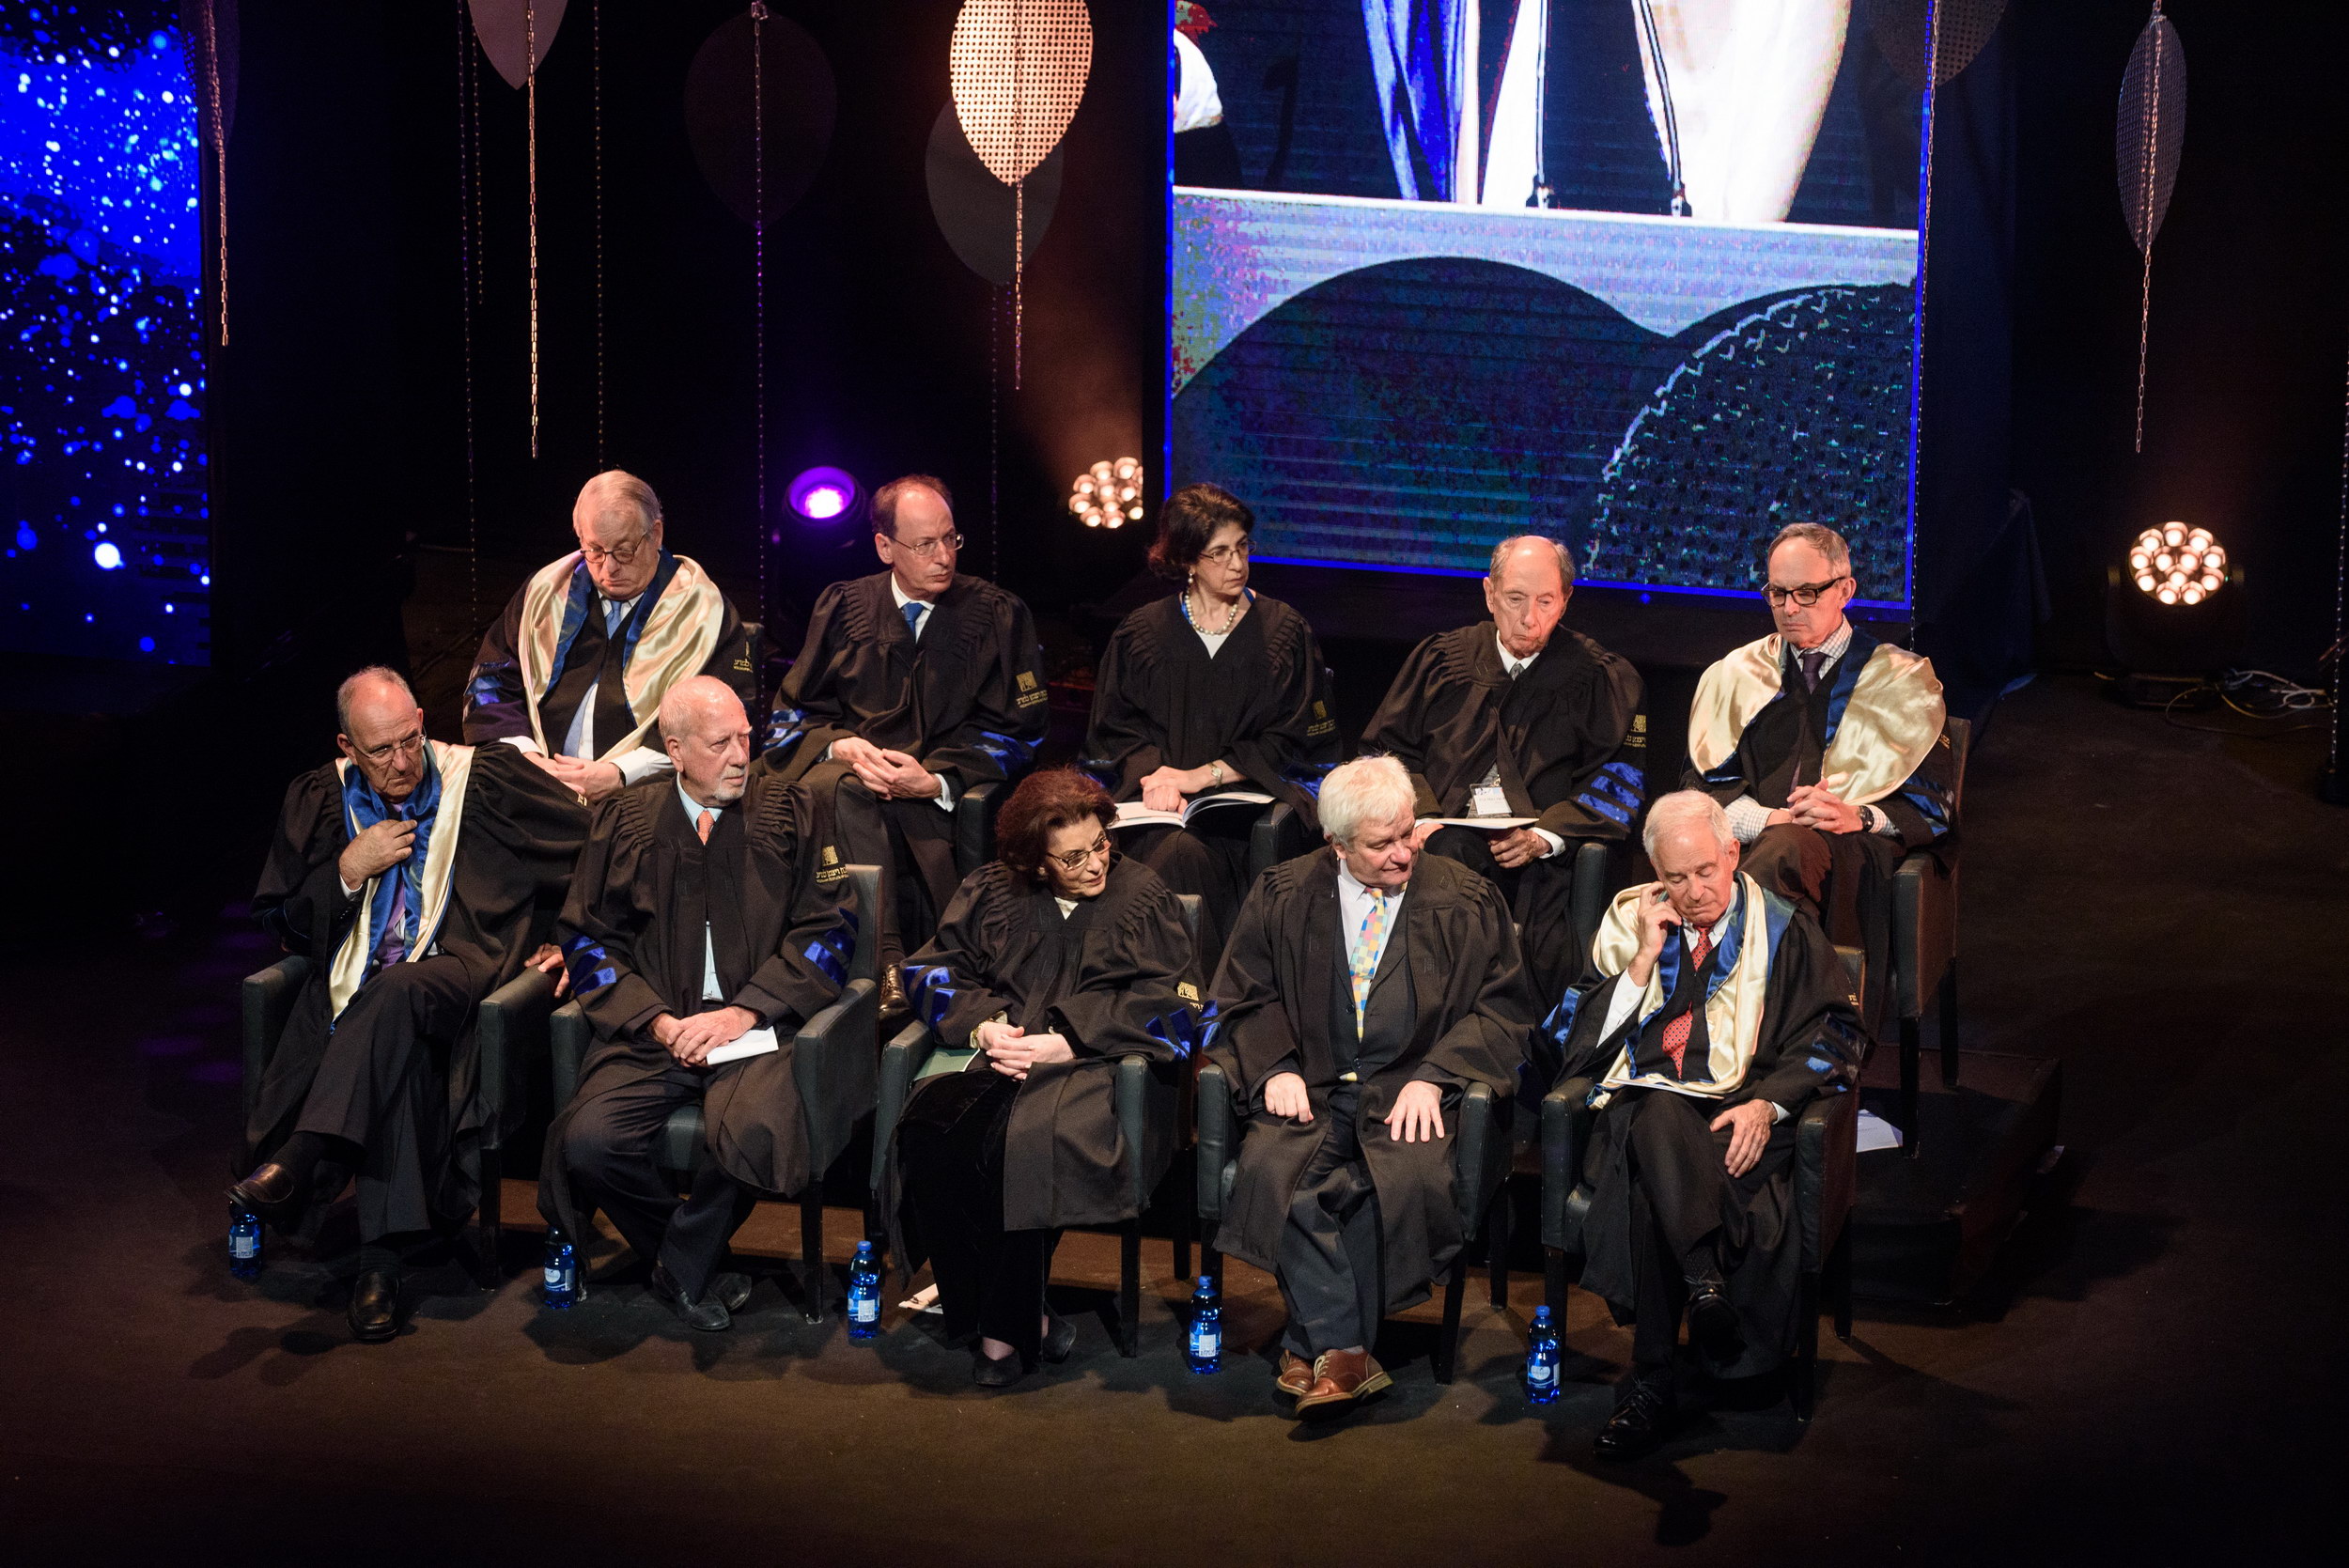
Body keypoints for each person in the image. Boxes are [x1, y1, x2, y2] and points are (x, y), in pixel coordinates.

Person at [232, 668, 588, 1343]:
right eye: (381, 751)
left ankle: (304, 1154)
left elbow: (596, 844)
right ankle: (381, 1267)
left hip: (461, 973)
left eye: (409, 740)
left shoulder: (482, 778)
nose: (401, 762)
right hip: (357, 999)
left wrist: (575, 939)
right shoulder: (320, 798)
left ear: (422, 720)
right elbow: (284, 923)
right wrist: (346, 870)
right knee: (398, 1050)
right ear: (347, 746)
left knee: (398, 989)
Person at [1538, 790, 1866, 1460]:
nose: (1692, 892)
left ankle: (1650, 1383)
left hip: (1733, 1125)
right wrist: (1639, 963)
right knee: (1654, 1108)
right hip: (1635, 1115)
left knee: (1653, 1181)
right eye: (1676, 877)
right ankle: (1704, 1286)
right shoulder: (1631, 920)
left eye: (1705, 871)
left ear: (1733, 853)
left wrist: (1767, 1104)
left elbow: (1839, 1033)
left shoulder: (1783, 928)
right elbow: (1565, 1039)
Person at [1206, 755, 1530, 1418]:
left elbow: (1504, 1010)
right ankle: (1347, 1352)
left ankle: (1309, 1346)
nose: (1403, 853)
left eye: (1408, 833)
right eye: (1382, 844)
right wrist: (1275, 1066)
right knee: (1272, 1169)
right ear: (1337, 843)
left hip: (1411, 1093)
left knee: (1395, 1181)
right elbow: (1241, 995)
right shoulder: (1284, 892)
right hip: (1314, 1088)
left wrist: (1437, 1075)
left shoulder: (1466, 898)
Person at [538, 677, 861, 1331]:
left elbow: (831, 930)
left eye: (746, 737)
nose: (742, 756)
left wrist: (744, 1012)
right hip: (657, 1029)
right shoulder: (625, 820)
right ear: (675, 750)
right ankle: (694, 1260)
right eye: (721, 744)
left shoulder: (794, 810)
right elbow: (587, 936)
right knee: (590, 1141)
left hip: (758, 1031)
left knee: (751, 1130)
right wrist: (657, 1021)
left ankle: (679, 1268)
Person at [888, 768, 1203, 1386]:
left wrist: (1070, 1040)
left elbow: (1181, 1007)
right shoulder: (992, 890)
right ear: (1035, 862)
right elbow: (930, 969)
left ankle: (1002, 1335)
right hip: (1000, 1057)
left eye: (1100, 843)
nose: (1096, 863)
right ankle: (1021, 1317)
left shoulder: (1143, 897)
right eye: (1074, 856)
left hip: (1094, 1069)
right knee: (928, 1132)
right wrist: (984, 1027)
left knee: (1024, 1145)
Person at [760, 474, 1050, 986]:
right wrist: (837, 745)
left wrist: (937, 781)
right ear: (884, 547)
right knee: (839, 786)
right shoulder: (844, 608)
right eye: (924, 544)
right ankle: (890, 961)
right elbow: (792, 714)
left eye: (951, 539)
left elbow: (1019, 730)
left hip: (933, 799)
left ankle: (878, 968)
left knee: (842, 794)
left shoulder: (997, 615)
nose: (944, 557)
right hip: (850, 787)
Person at [1361, 536, 1644, 1002]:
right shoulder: (1441, 662)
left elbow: (1621, 780)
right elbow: (1387, 752)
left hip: (1544, 865)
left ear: (1566, 600)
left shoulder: (1601, 678)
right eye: (1515, 599)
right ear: (1489, 593)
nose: (1529, 618)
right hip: (1436, 847)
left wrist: (1546, 837)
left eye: (1546, 601)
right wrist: (1422, 817)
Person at [1684, 522, 1950, 1014]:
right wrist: (1768, 819)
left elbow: (1934, 806)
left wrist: (1859, 815)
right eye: (1778, 593)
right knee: (1776, 852)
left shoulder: (1900, 680)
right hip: (1755, 845)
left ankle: (1713, 1006)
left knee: (1785, 850)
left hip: (1851, 854)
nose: (1789, 608)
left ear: (1845, 590)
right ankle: (1806, 1033)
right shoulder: (1736, 675)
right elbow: (1698, 788)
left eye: (1807, 593)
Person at [1083, 483, 1341, 965]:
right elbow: (1115, 732)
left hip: (1249, 815)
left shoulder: (1282, 632)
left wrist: (1203, 776)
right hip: (1161, 809)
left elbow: (1295, 739)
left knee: (1183, 856)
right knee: (1172, 849)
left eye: (1243, 547)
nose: (1237, 564)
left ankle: (1188, 989)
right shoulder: (1143, 633)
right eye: (1219, 552)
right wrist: (1154, 776)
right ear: (1187, 560)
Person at [463, 469, 759, 803]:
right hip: (534, 789)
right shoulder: (545, 593)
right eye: (594, 550)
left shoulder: (704, 611)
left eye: (624, 551)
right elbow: (492, 681)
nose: (608, 568)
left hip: (647, 802)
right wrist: (526, 759)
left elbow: (724, 723)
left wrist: (621, 774)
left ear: (656, 534)